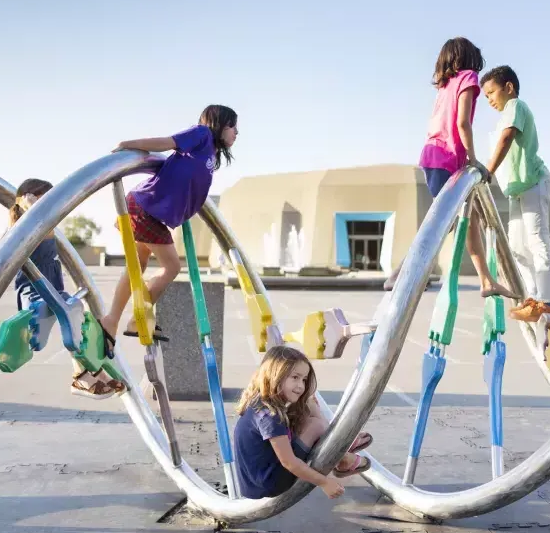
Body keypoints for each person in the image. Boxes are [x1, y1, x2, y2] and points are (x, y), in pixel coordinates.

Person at [385, 37, 517, 300]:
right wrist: (473, 159)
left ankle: (485, 280)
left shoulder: (445, 85)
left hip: (433, 155)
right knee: (442, 222)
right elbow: (462, 123)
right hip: (446, 158)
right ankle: (401, 273)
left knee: (466, 222)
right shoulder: (467, 77)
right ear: (468, 59)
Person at [99, 105, 238, 347]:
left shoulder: (210, 153)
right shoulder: (202, 135)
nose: (236, 132)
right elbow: (167, 142)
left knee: (137, 265)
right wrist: (128, 143)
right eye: (232, 126)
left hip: (149, 211)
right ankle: (138, 318)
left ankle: (113, 320)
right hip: (144, 207)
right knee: (171, 266)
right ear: (219, 124)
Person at [10, 179, 124, 399]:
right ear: (29, 199)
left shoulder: (46, 225)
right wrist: (31, 208)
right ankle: (81, 377)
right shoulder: (23, 228)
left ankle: (91, 369)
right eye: (49, 199)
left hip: (52, 293)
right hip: (35, 297)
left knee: (81, 316)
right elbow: (35, 229)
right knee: (70, 311)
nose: (56, 204)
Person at [234, 345, 373, 500]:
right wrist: (324, 482)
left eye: (304, 379)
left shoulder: (262, 401)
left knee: (307, 403)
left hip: (261, 478)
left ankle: (340, 447)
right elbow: (289, 462)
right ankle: (341, 455)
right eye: (295, 377)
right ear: (275, 375)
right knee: (317, 425)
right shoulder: (269, 416)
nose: (301, 385)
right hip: (269, 483)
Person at [481, 65, 550, 322]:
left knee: (537, 240)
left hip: (534, 181)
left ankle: (548, 303)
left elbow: (506, 140)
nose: (489, 99)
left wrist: (487, 172)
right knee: (516, 247)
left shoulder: (515, 106)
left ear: (509, 87)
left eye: (491, 92)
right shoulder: (503, 116)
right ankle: (533, 299)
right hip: (518, 189)